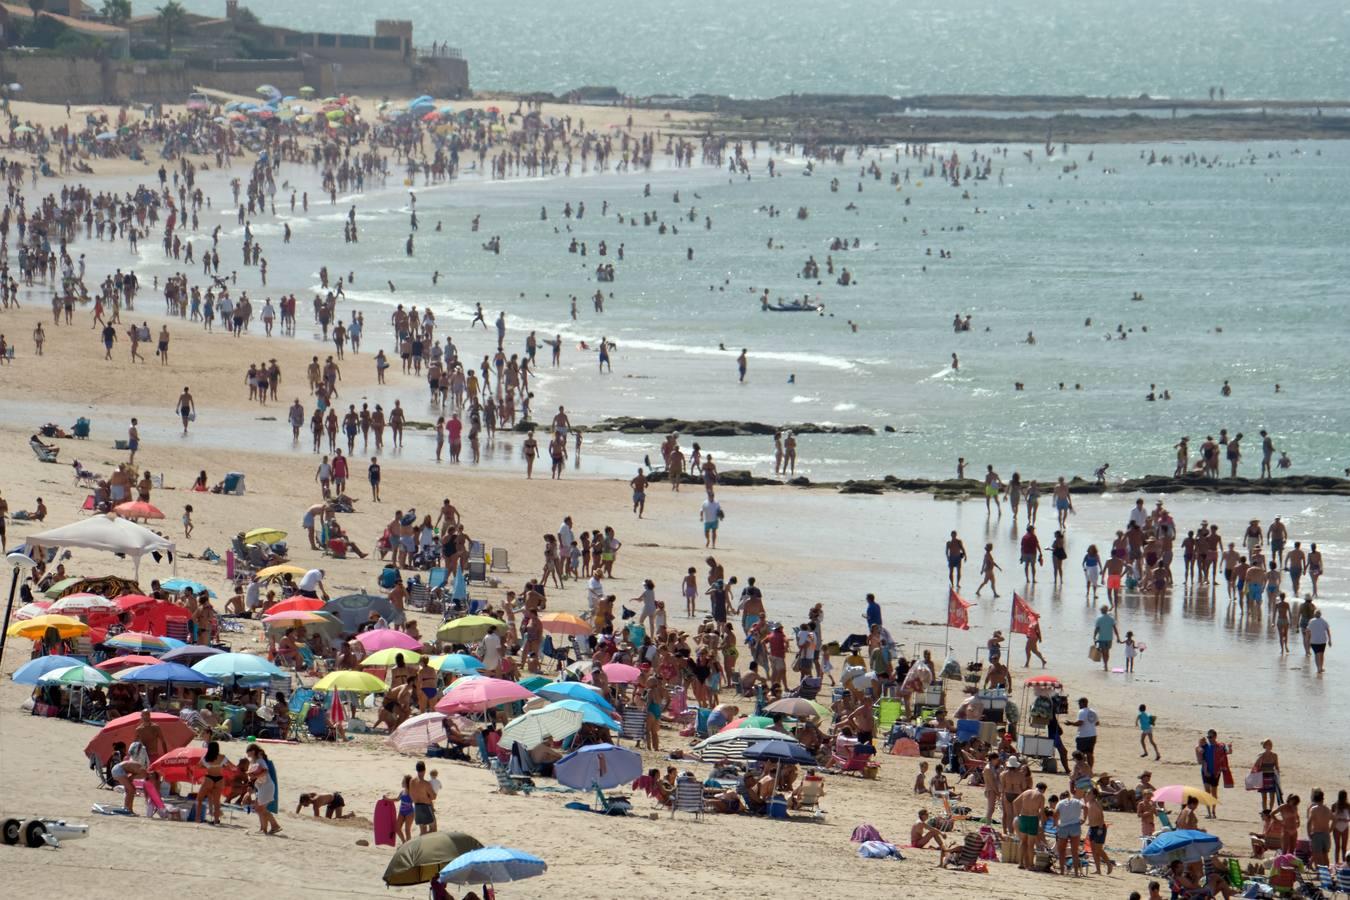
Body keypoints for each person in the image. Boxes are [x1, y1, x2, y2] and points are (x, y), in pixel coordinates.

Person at [245, 744, 281, 835]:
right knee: (258, 809)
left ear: (253, 751)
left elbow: (265, 771)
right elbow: (251, 777)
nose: (247, 754)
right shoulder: (252, 762)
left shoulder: (260, 760)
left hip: (267, 786)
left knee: (260, 809)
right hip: (260, 787)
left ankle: (275, 825)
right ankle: (263, 829)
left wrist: (254, 776)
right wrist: (249, 789)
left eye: (248, 752)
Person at [1195, 730, 1230, 818]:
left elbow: (1228, 752)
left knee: (1214, 793)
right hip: (1205, 772)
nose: (1209, 739)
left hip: (1216, 772)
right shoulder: (1205, 747)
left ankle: (1213, 812)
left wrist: (1230, 747)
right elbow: (1200, 759)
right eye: (1208, 737)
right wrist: (1199, 744)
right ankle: (1208, 813)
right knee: (1207, 792)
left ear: (1215, 737)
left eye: (1210, 737)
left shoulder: (1219, 746)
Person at [1054, 787, 1086, 876]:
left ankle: (1062, 871)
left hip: (1063, 826)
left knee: (1062, 850)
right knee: (1075, 851)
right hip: (1075, 826)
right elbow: (1085, 807)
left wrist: (1056, 824)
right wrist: (1084, 819)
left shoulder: (1060, 803)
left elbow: (1056, 813)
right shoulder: (1076, 801)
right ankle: (1076, 872)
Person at [1066, 696, 1100, 769]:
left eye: (1079, 703)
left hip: (1083, 736)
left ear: (1083, 703)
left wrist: (1070, 723)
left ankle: (1081, 768)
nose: (1079, 705)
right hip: (1092, 735)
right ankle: (1090, 769)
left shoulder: (1082, 711)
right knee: (1090, 753)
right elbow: (1097, 723)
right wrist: (1090, 725)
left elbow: (1080, 723)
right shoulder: (1093, 711)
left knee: (1080, 754)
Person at [409, 761, 437, 834]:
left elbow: (411, 795)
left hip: (416, 807)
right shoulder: (426, 783)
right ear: (424, 770)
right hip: (426, 807)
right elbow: (433, 797)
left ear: (416, 770)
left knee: (422, 831)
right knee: (433, 829)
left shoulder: (411, 781)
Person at [1092, 605, 1121, 671]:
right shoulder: (1111, 619)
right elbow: (1115, 629)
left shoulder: (1099, 618)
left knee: (1103, 652)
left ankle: (1105, 664)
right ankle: (1106, 664)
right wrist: (1118, 637)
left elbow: (1097, 628)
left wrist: (1094, 636)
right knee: (1107, 652)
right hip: (1109, 638)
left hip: (1101, 638)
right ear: (1107, 610)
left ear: (1101, 611)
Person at [1307, 610, 1332, 674]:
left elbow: (1308, 631)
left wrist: (1308, 639)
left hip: (1314, 641)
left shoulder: (1311, 621)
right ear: (1320, 614)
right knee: (1321, 654)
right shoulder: (1324, 621)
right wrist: (1329, 640)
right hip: (1322, 640)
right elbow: (1328, 631)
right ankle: (1321, 667)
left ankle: (1318, 668)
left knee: (1316, 654)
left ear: (1314, 614)